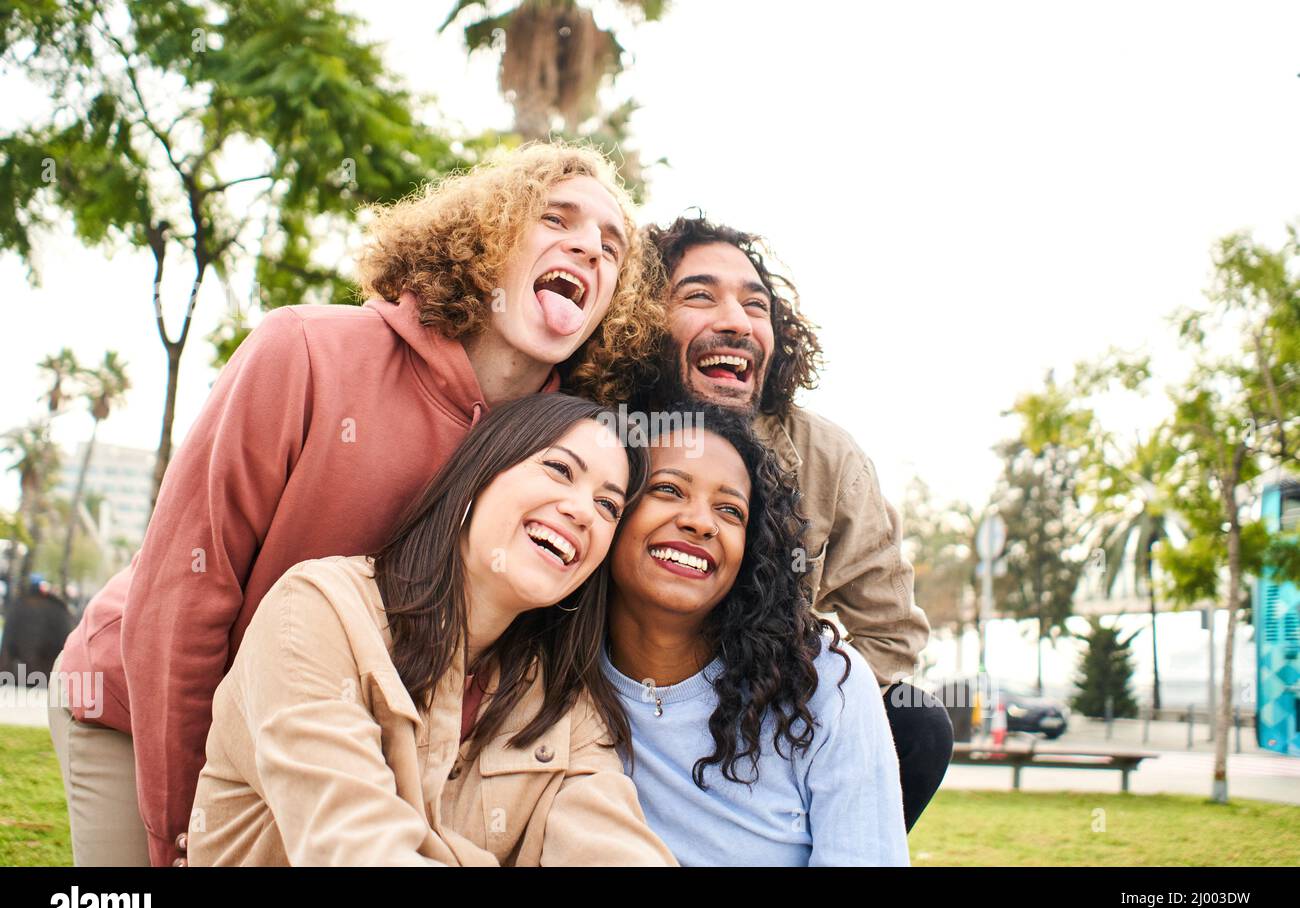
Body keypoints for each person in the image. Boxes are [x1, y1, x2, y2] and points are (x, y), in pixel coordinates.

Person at [50, 142, 664, 867]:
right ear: (488, 235)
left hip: (335, 733)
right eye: (556, 218)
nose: (588, 247)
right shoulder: (306, 352)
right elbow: (183, 590)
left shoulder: (569, 447)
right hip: (144, 704)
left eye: (611, 246)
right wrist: (183, 829)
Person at [188, 394, 675, 866]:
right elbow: (354, 847)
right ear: (477, 477)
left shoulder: (567, 710)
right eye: (560, 469)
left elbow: (613, 848)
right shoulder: (318, 610)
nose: (582, 511)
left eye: (608, 506)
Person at [625, 214, 953, 832]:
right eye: (699, 295)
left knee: (917, 721)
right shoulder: (600, 426)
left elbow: (890, 632)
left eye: (757, 305)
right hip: (613, 710)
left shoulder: (828, 458)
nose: (736, 320)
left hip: (754, 716)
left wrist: (785, 705)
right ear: (637, 319)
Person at [600, 403, 909, 865]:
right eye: (668, 489)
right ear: (612, 510)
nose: (701, 522)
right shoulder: (552, 678)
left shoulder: (824, 684)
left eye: (730, 510)